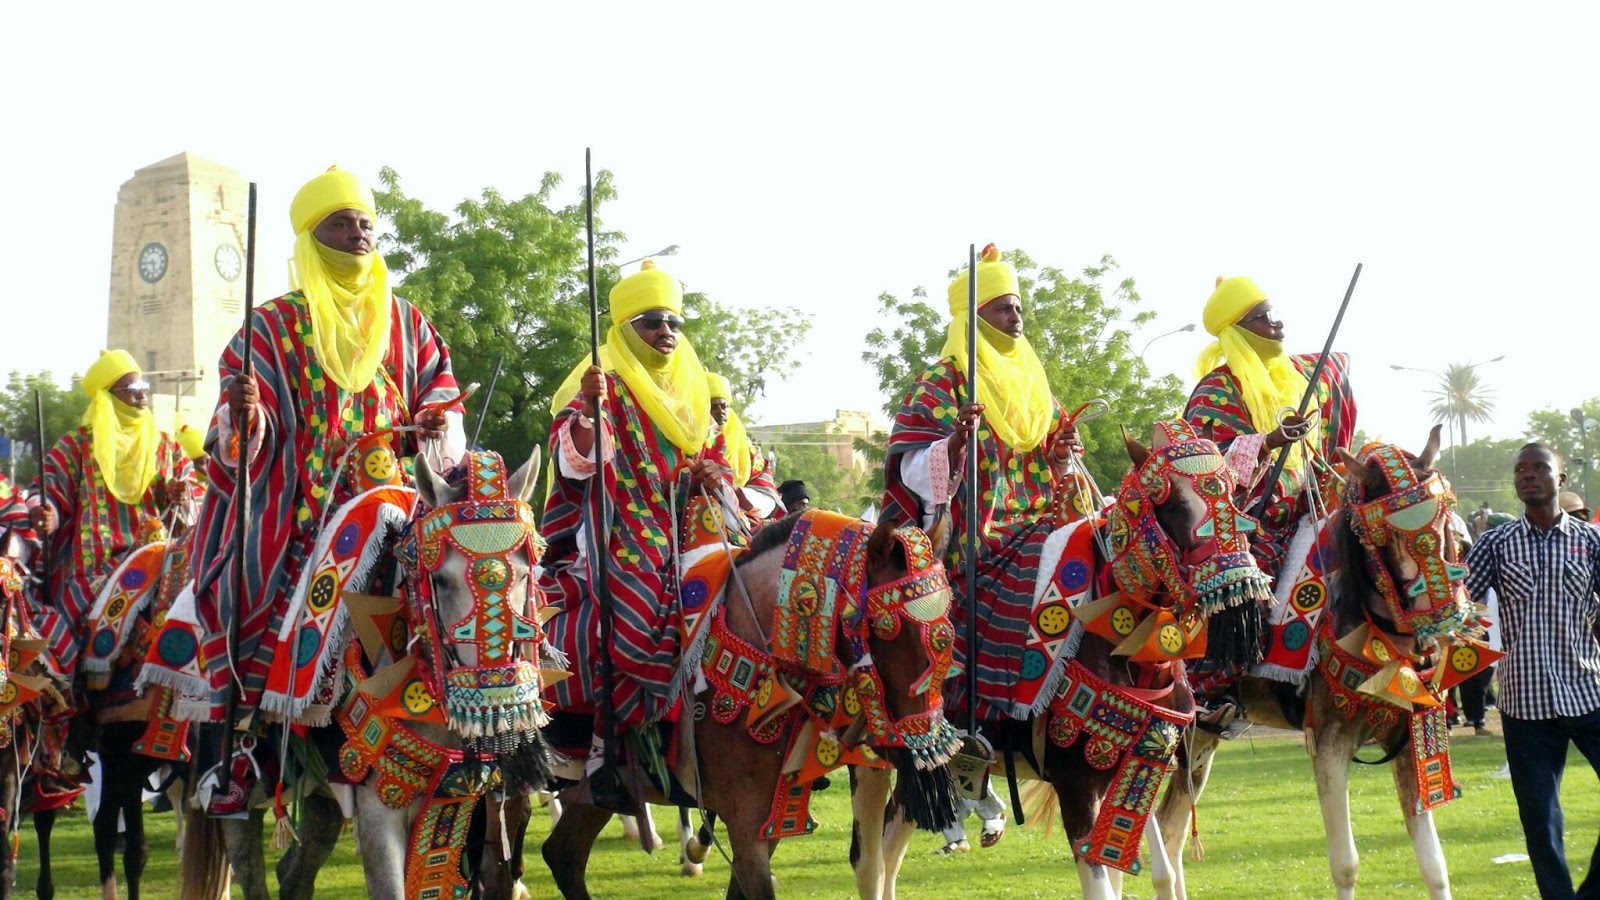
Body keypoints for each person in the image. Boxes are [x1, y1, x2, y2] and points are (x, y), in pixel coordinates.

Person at [168, 167, 462, 814]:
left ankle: (497, 729)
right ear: (311, 234)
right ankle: (236, 751)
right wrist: (245, 415)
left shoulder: (408, 323)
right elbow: (242, 425)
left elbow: (440, 388)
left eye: (365, 223)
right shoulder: (270, 328)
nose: (358, 233)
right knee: (234, 584)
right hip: (304, 511)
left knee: (481, 584)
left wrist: (438, 419)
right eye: (341, 222)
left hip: (398, 502)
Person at [880, 244, 1082, 847]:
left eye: (1018, 307)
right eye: (1000, 308)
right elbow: (910, 468)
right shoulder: (943, 383)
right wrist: (954, 448)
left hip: (1039, 520)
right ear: (971, 319)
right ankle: (984, 728)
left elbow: (1051, 457)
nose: (1016, 317)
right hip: (971, 539)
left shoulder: (1035, 380)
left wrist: (1062, 454)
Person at [539, 260, 720, 798]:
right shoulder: (605, 385)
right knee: (639, 611)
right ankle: (603, 746)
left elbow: (716, 458)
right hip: (620, 528)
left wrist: (712, 472)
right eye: (651, 322)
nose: (666, 332)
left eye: (673, 322)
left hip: (690, 526)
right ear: (624, 330)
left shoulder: (691, 394)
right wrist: (590, 417)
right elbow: (573, 458)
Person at [1464, 443, 1600, 899]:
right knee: (1541, 825)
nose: (1528, 475)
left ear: (1559, 479)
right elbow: (1459, 603)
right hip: (1525, 704)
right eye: (1520, 469)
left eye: (1539, 467)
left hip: (1588, 692)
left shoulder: (1591, 543)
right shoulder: (1495, 543)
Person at [29, 350, 193, 676]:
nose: (143, 395)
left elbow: (191, 489)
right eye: (133, 389)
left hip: (154, 555)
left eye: (144, 386)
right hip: (92, 566)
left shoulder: (166, 446)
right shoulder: (76, 446)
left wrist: (180, 494)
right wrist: (45, 513)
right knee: (71, 626)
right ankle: (75, 699)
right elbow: (45, 491)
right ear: (108, 397)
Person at [1185, 276, 1356, 578]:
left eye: (1277, 316)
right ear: (1238, 329)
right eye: (1268, 318)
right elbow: (1205, 465)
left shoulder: (1301, 374)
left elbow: (1335, 369)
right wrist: (1269, 441)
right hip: (1250, 531)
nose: (1279, 326)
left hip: (1308, 511)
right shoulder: (1216, 391)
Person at [706, 372, 780, 523]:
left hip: (742, 521)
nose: (720, 411)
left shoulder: (747, 447)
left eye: (723, 406)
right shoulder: (692, 439)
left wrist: (735, 491)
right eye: (713, 406)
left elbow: (766, 493)